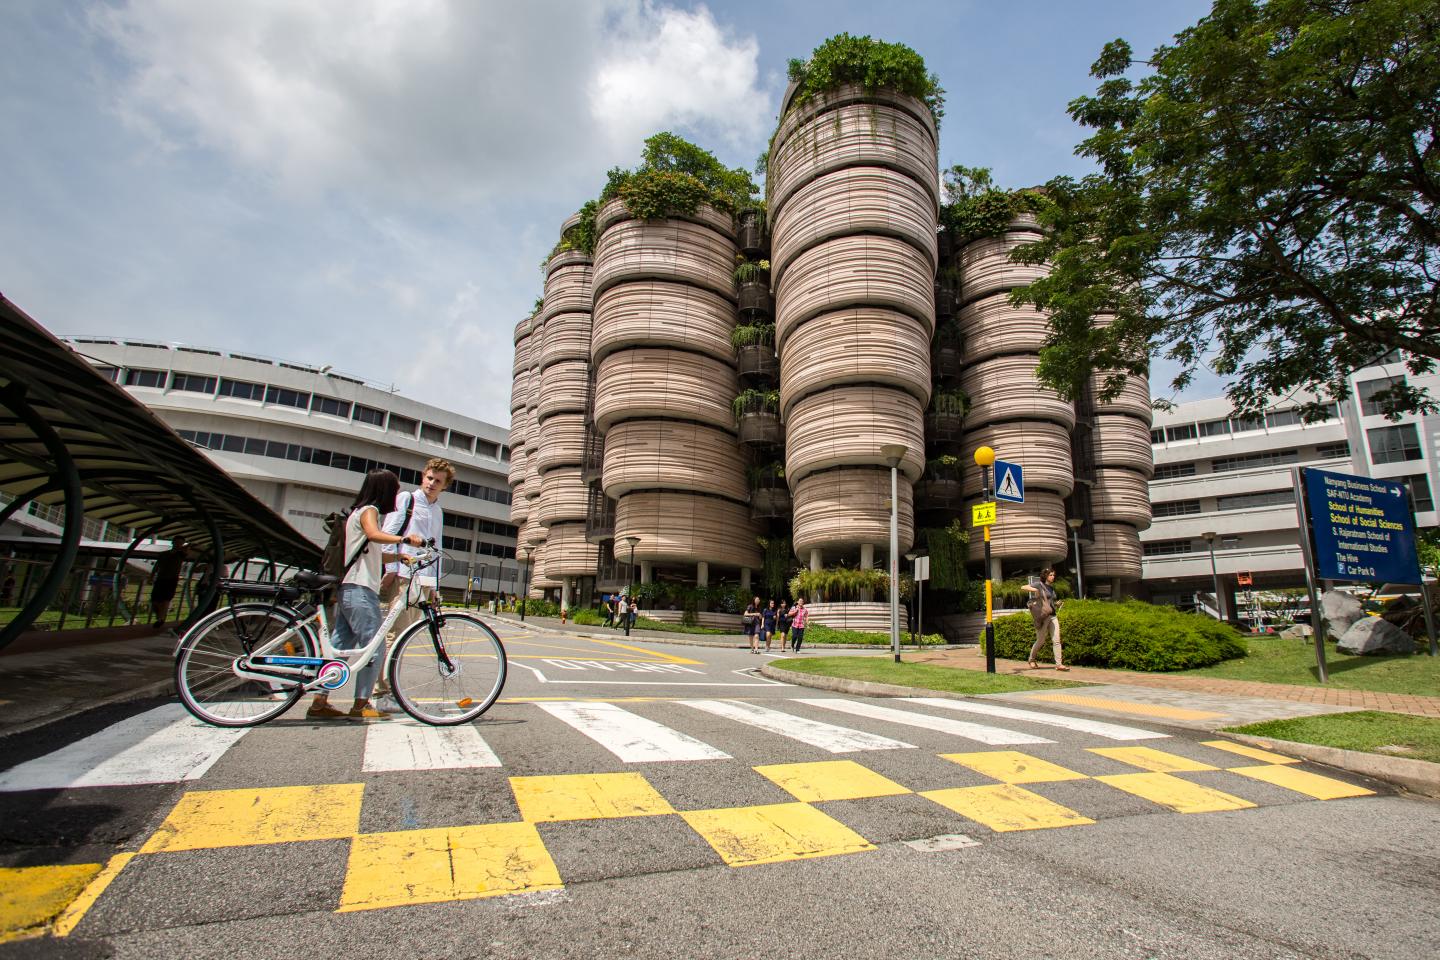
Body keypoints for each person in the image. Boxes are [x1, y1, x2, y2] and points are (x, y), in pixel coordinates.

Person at [309, 469, 424, 721]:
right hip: (361, 590)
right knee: (374, 648)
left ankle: (319, 702)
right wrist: (405, 539)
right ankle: (361, 706)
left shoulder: (356, 513)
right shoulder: (369, 511)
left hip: (349, 589)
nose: (396, 493)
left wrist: (397, 556)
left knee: (340, 646)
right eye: (394, 488)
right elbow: (373, 535)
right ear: (383, 489)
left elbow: (368, 551)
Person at [373, 458, 453, 707]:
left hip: (424, 579)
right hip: (405, 575)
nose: (432, 483)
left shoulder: (437, 511)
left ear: (444, 486)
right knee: (394, 634)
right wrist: (390, 569)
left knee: (405, 635)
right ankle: (381, 692)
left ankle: (391, 690)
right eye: (429, 478)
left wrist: (435, 587)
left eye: (438, 481)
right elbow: (390, 533)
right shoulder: (406, 500)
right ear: (423, 476)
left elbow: (436, 549)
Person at [1021, 567, 1068, 671]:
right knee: (1040, 641)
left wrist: (1056, 603)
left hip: (1053, 615)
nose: (1053, 577)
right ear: (1045, 576)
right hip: (1043, 617)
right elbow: (1023, 587)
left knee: (1056, 640)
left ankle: (1059, 664)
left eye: (1053, 575)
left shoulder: (1051, 588)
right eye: (1050, 575)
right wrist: (1036, 590)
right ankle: (1031, 659)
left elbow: (1049, 602)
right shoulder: (1039, 584)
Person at [149, 541, 189, 627]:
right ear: (173, 543)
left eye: (180, 543)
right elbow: (157, 565)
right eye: (177, 542)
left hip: (172, 580)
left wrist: (185, 546)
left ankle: (161, 619)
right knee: (154, 601)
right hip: (160, 579)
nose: (178, 545)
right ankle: (159, 616)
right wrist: (151, 576)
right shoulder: (163, 554)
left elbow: (186, 549)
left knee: (166, 600)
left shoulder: (181, 554)